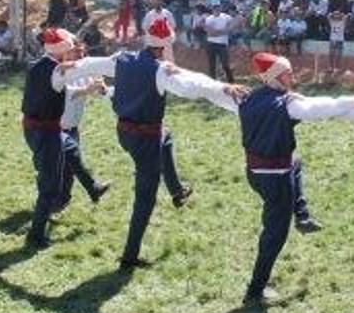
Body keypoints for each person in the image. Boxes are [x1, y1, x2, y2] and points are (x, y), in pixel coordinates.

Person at [61, 18, 247, 271]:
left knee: (166, 136)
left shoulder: (122, 59)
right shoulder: (160, 70)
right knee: (145, 197)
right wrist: (223, 87)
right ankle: (129, 255)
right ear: (164, 46)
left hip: (124, 134)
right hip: (145, 141)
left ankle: (177, 190)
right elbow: (192, 85)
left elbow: (93, 63)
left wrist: (73, 65)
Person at [203, 52, 354, 304]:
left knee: (296, 162)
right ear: (276, 77)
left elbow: (208, 92)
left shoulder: (245, 99)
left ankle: (301, 214)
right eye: (288, 73)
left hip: (254, 173)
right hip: (276, 178)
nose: (292, 76)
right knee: (275, 234)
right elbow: (323, 107)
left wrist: (221, 87)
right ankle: (255, 290)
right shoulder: (288, 104)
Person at [20, 27, 77, 249]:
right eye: (69, 50)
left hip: (30, 128)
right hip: (47, 131)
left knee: (46, 175)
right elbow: (79, 70)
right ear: (60, 51)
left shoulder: (35, 65)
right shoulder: (57, 71)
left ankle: (38, 225)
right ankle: (36, 235)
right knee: (50, 184)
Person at [56, 38, 111, 211]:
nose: (80, 56)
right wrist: (88, 89)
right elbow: (68, 94)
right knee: (65, 165)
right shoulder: (60, 70)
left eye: (82, 52)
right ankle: (92, 189)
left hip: (72, 127)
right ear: (67, 52)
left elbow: (101, 93)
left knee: (70, 166)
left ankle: (63, 199)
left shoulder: (84, 71)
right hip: (56, 127)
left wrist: (101, 87)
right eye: (76, 52)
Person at [204, 2, 235, 82]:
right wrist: (222, 31)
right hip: (211, 43)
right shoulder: (209, 19)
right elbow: (210, 33)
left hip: (222, 44)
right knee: (212, 64)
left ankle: (230, 80)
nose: (216, 9)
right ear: (212, 9)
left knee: (225, 63)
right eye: (215, 8)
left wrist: (218, 32)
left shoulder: (226, 17)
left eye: (218, 8)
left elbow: (230, 28)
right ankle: (213, 80)